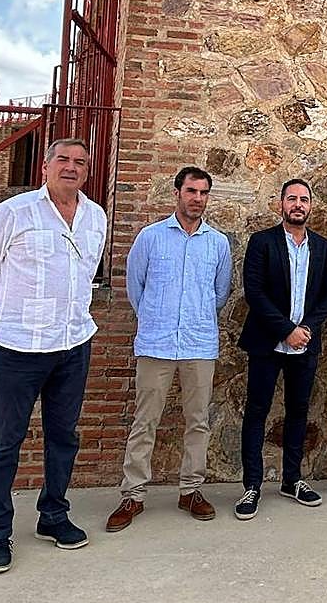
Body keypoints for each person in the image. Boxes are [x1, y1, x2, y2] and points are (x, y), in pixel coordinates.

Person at [0, 137, 107, 575]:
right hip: (18, 347)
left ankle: (53, 515)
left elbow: (87, 272)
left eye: (80, 162)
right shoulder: (15, 212)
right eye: (63, 159)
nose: (71, 167)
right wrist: (11, 308)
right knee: (3, 442)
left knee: (64, 437)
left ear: (87, 170)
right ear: (45, 166)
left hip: (73, 344)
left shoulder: (95, 216)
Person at [106, 166, 232, 533]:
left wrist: (195, 318)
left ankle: (190, 490)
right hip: (156, 343)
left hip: (199, 343)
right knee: (145, 420)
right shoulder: (151, 238)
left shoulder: (218, 243)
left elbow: (219, 294)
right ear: (177, 193)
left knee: (198, 421)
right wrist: (156, 319)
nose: (197, 199)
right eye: (191, 191)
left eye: (203, 193)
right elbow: (136, 289)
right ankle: (133, 494)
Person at [235, 179, 327, 520]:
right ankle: (252, 485)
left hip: (305, 345)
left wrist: (305, 329)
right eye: (292, 198)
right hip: (267, 342)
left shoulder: (321, 247)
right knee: (257, 411)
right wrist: (286, 330)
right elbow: (255, 292)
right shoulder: (262, 242)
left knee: (298, 411)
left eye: (304, 199)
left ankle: (292, 480)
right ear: (281, 204)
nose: (298, 204)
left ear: (310, 206)